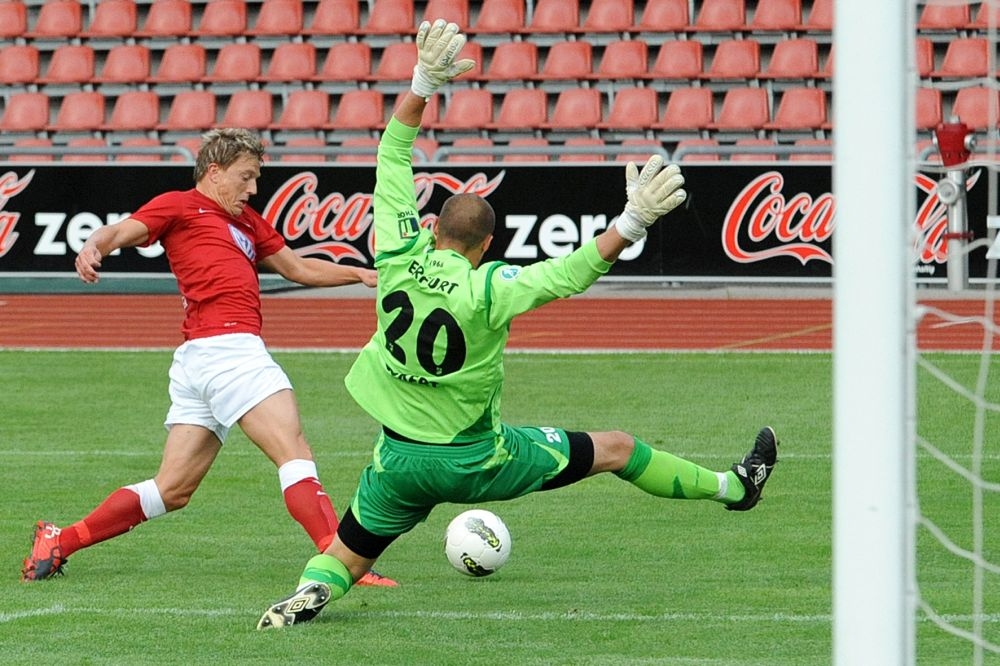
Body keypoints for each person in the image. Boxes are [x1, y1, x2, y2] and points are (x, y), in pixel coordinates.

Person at [256, 20, 778, 629]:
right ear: (486, 246)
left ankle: (309, 592)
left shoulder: (395, 255)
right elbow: (568, 273)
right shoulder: (489, 288)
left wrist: (422, 83)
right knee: (617, 448)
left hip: (398, 460)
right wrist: (632, 222)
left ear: (432, 228)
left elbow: (392, 152)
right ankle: (736, 488)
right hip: (477, 460)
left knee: (348, 553)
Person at [21, 128, 396, 588]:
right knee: (293, 451)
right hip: (228, 350)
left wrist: (359, 274)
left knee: (171, 490)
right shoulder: (180, 205)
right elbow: (119, 230)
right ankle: (341, 563)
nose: (252, 189)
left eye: (256, 179)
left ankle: (59, 540)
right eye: (245, 177)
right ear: (214, 172)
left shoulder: (247, 222)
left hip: (200, 358)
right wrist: (93, 246)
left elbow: (297, 268)